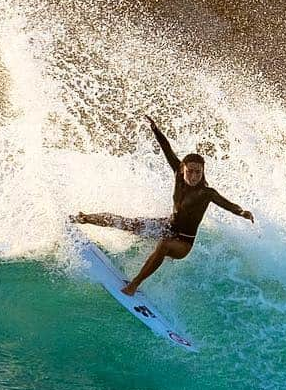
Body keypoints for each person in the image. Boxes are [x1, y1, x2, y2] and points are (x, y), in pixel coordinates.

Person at [72, 115, 254, 295]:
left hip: (183, 242)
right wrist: (155, 130)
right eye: (190, 171)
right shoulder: (178, 173)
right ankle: (84, 218)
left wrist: (242, 212)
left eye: (198, 172)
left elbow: (227, 204)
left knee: (164, 245)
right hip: (167, 226)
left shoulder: (206, 193)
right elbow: (167, 149)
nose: (194, 176)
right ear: (183, 169)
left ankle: (134, 285)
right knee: (130, 223)